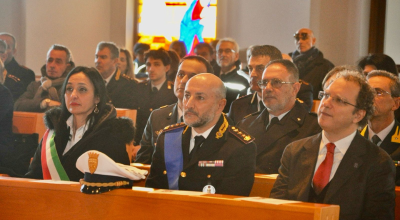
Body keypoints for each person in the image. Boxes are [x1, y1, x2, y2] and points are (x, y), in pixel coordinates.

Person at [270, 72, 395, 219]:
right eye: (325, 95)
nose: (326, 103)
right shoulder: (295, 151)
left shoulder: (377, 162)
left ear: (358, 115)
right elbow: (275, 208)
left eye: (339, 100)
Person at [146, 73, 256, 196]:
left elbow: (229, 206)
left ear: (220, 105)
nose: (189, 104)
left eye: (200, 98)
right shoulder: (168, 138)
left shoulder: (238, 147)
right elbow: (153, 193)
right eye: (187, 96)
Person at [24, 66, 131, 181]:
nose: (73, 95)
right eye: (69, 89)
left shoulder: (111, 135)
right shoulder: (53, 132)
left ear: (97, 98)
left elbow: (120, 186)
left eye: (82, 89)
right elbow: (33, 177)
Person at [237, 59, 320, 174]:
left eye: (276, 82)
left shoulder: (313, 128)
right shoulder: (246, 124)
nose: (268, 88)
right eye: (264, 82)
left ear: (295, 89)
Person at [135, 55, 213, 164]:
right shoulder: (157, 117)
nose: (183, 80)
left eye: (192, 76)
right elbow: (142, 164)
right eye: (180, 74)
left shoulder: (213, 119)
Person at [228, 45, 313, 124]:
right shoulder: (238, 106)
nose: (252, 74)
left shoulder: (295, 108)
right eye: (250, 68)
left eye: (260, 68)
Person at [360, 70, 400, 185]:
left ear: (395, 103)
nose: (369, 97)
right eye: (366, 92)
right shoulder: (352, 136)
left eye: (378, 92)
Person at [134, 48, 178, 145]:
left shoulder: (174, 92)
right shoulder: (138, 88)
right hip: (138, 141)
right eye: (148, 64)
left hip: (163, 143)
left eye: (157, 64)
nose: (151, 69)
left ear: (167, 68)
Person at [14, 44, 75, 112]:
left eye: (58, 62)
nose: (52, 65)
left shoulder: (71, 86)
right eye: (50, 60)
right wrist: (44, 103)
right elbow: (18, 105)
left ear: (67, 66)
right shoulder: (36, 85)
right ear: (46, 62)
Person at [289, 28, 334, 100]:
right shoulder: (287, 63)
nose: (300, 41)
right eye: (297, 38)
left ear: (313, 40)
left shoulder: (325, 66)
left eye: (304, 37)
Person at [95, 41, 137, 109]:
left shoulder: (128, 85)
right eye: (96, 57)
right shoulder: (91, 82)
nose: (98, 61)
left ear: (115, 61)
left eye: (103, 57)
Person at [215, 38, 249, 113]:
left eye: (227, 51)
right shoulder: (211, 75)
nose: (223, 55)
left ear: (236, 56)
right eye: (220, 51)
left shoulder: (243, 79)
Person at [0, 32, 35, 101]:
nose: (2, 51)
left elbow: (21, 100)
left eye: (7, 47)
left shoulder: (26, 73)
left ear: (14, 51)